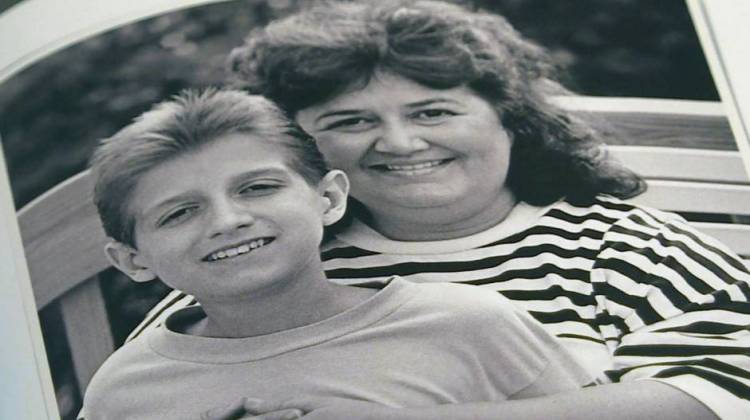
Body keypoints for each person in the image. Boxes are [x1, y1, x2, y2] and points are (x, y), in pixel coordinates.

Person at [131, 1, 750, 419]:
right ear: (299, 154)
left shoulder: (620, 247)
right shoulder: (265, 266)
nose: (401, 144)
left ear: (511, 120)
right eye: (350, 121)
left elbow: (721, 391)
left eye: (433, 112)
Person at [80, 88, 592, 420]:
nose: (228, 220)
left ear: (328, 199)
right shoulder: (126, 391)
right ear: (132, 261)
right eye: (179, 213)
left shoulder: (470, 325)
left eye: (257, 188)